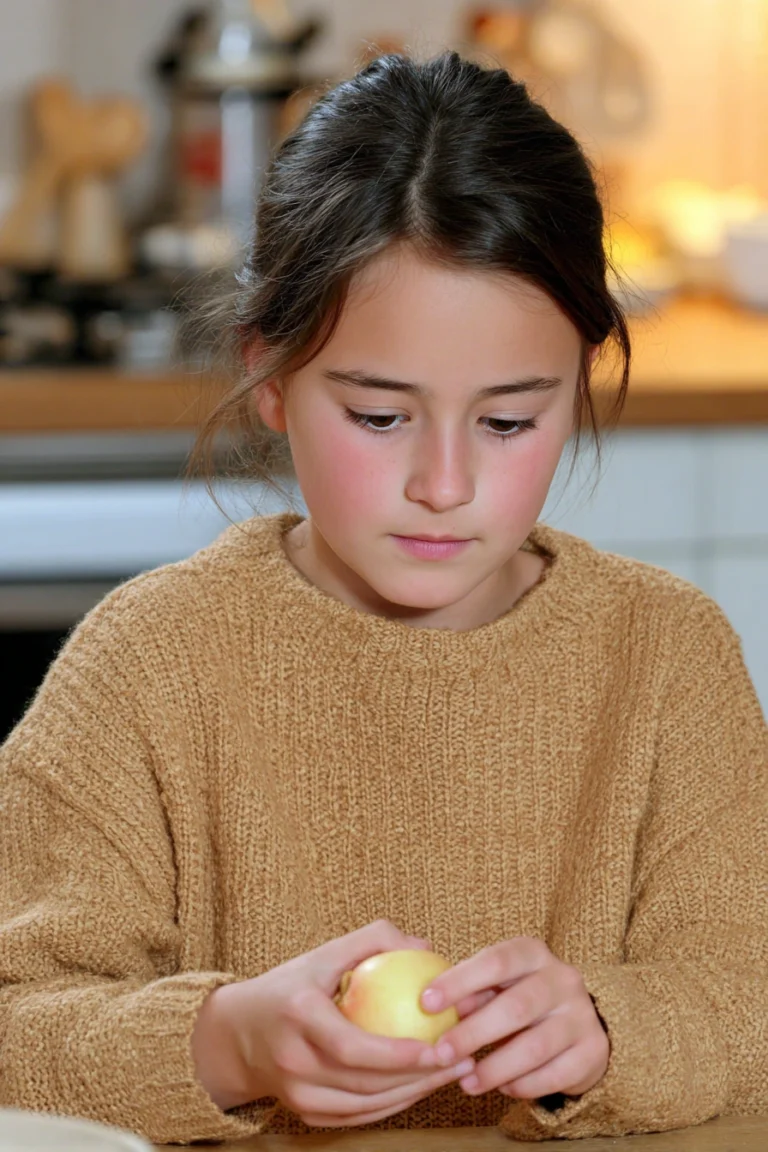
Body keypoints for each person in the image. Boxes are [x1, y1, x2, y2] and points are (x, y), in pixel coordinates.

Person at [0, 51, 765, 1147]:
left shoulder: (667, 657)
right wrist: (226, 1043)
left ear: (581, 379)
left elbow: (745, 994)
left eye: (508, 423)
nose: (444, 485)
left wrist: (606, 1028)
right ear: (271, 375)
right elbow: (13, 1014)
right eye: (378, 416)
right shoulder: (147, 664)